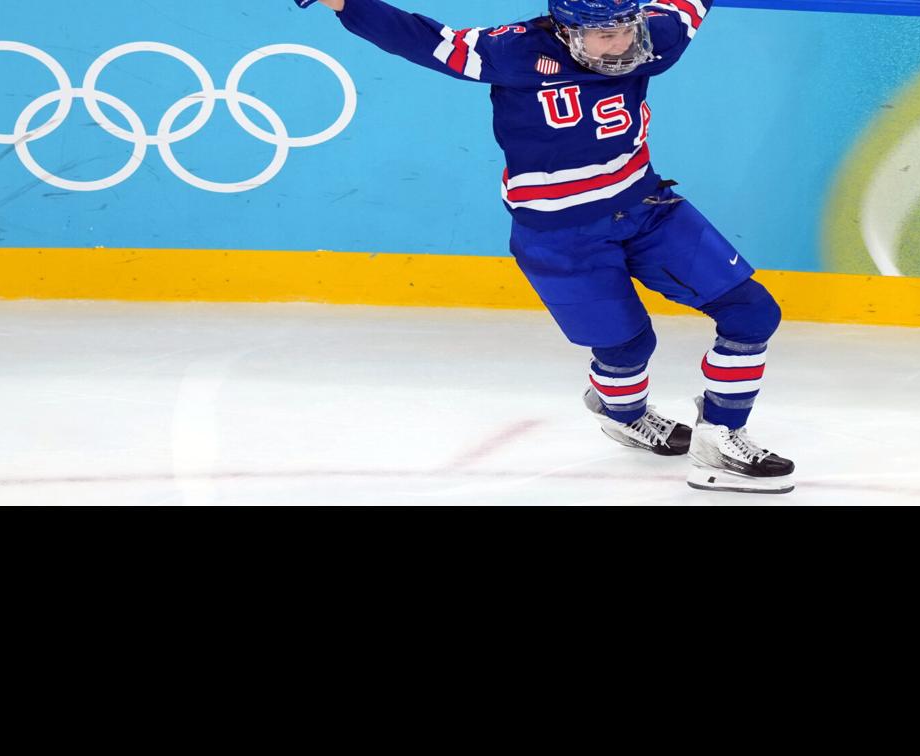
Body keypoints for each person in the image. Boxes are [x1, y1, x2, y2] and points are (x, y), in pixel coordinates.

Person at [293, 0, 795, 494]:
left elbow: (689, 5)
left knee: (752, 312)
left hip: (646, 207)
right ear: (566, 30)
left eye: (626, 31)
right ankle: (622, 414)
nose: (620, 46)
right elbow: (421, 38)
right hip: (560, 234)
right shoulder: (510, 51)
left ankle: (722, 436)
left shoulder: (655, 34)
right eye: (604, 35)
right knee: (627, 345)